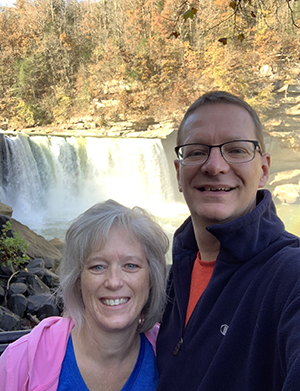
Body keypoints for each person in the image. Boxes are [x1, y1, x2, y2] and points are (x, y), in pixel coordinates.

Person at [156, 90, 300, 391]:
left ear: (263, 171)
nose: (215, 165)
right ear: (179, 173)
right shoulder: (169, 282)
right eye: (196, 151)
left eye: (236, 150)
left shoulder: (290, 276)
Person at [0, 199, 168, 391]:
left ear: (152, 277)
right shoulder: (19, 362)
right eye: (98, 266)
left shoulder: (171, 358)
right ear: (78, 280)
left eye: (131, 265)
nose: (113, 281)